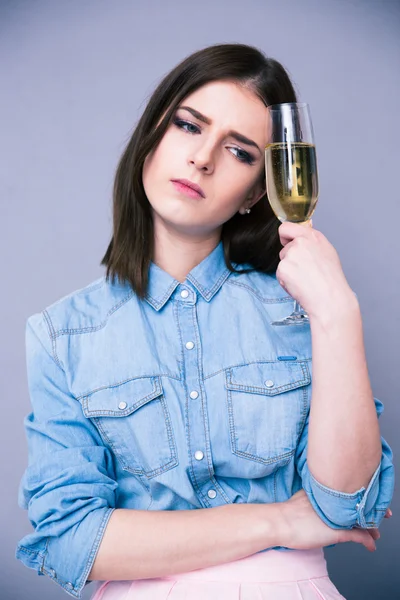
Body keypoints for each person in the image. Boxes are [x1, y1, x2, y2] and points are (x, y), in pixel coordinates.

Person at [16, 43, 394, 600]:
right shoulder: (61, 334)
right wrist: (281, 522)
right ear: (152, 136)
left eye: (240, 153)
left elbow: (347, 505)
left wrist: (338, 314)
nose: (203, 159)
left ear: (255, 192)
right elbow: (72, 540)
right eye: (189, 126)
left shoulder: (301, 313)